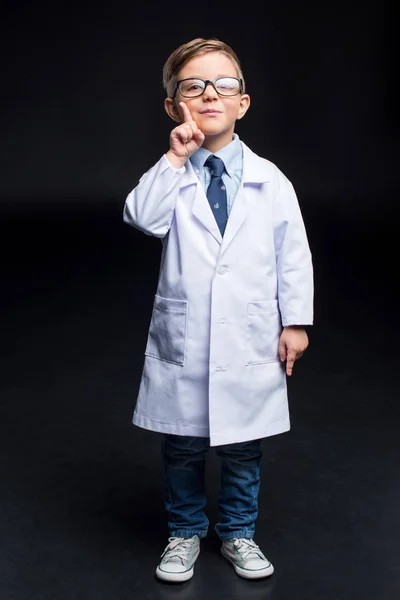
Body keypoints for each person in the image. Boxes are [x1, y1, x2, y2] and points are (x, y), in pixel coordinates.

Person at [123, 37, 314, 583]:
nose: (209, 95)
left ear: (242, 103)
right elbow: (142, 216)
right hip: (187, 340)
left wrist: (295, 320)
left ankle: (238, 533)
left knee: (243, 447)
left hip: (249, 337)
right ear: (172, 105)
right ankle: (184, 532)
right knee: (182, 446)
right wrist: (175, 156)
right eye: (193, 86)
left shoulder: (270, 180)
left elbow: (293, 253)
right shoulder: (174, 171)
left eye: (223, 85)